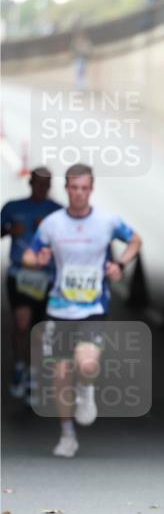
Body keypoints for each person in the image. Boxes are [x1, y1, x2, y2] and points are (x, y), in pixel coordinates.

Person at [22, 163, 142, 457]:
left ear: (91, 189)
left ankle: (86, 390)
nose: (78, 194)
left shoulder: (107, 221)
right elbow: (27, 254)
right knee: (61, 373)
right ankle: (67, 435)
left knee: (86, 364)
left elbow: (135, 240)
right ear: (66, 189)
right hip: (59, 309)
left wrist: (121, 265)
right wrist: (37, 259)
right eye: (73, 188)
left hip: (92, 308)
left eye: (84, 188)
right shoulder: (52, 223)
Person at [1, 167, 62, 399]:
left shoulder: (56, 213)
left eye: (46, 185)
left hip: (45, 278)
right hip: (19, 275)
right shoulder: (13, 207)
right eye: (38, 184)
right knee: (21, 324)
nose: (41, 189)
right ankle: (19, 366)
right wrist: (8, 230)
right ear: (30, 183)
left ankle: (33, 373)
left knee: (38, 330)